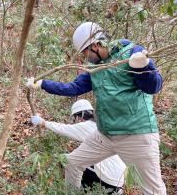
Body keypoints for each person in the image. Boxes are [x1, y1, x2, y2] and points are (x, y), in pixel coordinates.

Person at [26, 22, 166, 195]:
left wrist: (145, 68)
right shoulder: (95, 69)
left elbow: (153, 87)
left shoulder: (132, 53)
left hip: (136, 135)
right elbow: (72, 88)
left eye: (85, 53)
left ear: (95, 46)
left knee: (153, 190)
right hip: (105, 135)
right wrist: (42, 84)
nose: (85, 58)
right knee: (72, 163)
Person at [30, 99, 126, 194]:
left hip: (106, 181)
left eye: (75, 118)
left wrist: (43, 122)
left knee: (67, 160)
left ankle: (73, 192)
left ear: (80, 116)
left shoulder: (87, 125)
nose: (75, 121)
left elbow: (64, 129)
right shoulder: (102, 125)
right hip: (118, 183)